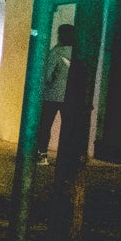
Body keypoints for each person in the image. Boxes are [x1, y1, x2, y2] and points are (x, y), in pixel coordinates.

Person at [39, 24, 76, 155]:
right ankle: (66, 157)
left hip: (52, 95)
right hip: (71, 96)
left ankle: (42, 154)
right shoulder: (78, 52)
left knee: (45, 125)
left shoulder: (56, 52)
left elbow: (47, 75)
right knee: (69, 128)